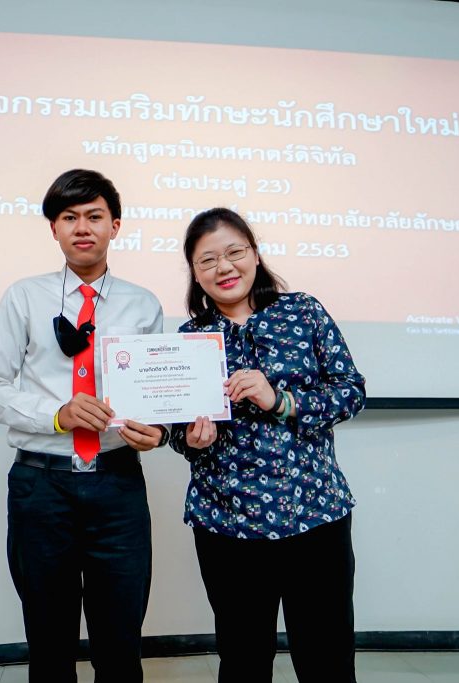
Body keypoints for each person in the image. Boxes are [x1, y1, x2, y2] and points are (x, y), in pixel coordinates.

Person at [0, 169, 168, 683]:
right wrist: (56, 416)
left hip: (118, 484)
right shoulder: (23, 296)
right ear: (54, 229)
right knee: (49, 641)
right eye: (69, 217)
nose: (83, 227)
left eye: (95, 216)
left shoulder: (143, 303)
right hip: (41, 487)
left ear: (115, 226)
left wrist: (159, 431)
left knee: (120, 643)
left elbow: (156, 396)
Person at [169, 207, 366, 683]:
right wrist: (192, 440)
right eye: (207, 260)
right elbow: (176, 431)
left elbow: (351, 391)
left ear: (255, 255)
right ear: (195, 272)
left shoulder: (303, 311)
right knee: (243, 662)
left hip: (314, 513)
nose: (224, 267)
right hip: (226, 523)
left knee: (327, 660)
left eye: (234, 252)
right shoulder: (190, 339)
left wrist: (280, 401)